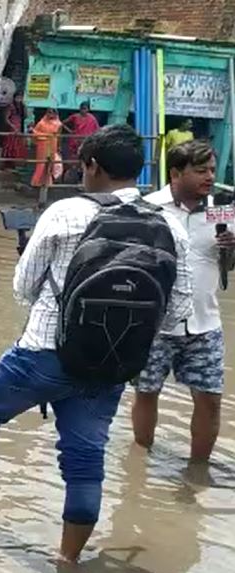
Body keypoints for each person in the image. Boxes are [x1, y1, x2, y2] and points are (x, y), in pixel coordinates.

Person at [0, 124, 192, 563]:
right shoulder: (169, 225)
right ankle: (68, 560)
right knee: (84, 458)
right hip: (112, 365)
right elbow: (175, 312)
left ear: (92, 166)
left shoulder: (64, 213)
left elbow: (22, 287)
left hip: (43, 354)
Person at [135, 140, 233, 465]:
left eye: (211, 170)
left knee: (210, 400)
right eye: (200, 170)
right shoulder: (147, 208)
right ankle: (140, 464)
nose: (209, 177)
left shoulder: (224, 209)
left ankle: (198, 472)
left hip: (205, 325)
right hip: (154, 325)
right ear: (176, 173)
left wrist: (233, 248)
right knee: (146, 393)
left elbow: (228, 266)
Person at [31, 109, 63, 188]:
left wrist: (59, 146)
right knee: (41, 163)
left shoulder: (58, 124)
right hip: (43, 144)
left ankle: (47, 182)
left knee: (50, 163)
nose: (51, 114)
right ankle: (36, 182)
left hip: (53, 145)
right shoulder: (41, 123)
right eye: (49, 112)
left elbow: (59, 136)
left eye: (53, 113)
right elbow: (35, 133)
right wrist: (45, 136)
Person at [1, 91, 28, 169]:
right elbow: (6, 119)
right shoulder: (11, 106)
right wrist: (12, 126)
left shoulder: (22, 106)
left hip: (19, 127)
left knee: (17, 146)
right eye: (17, 97)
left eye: (20, 98)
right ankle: (6, 164)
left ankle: (14, 163)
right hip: (11, 128)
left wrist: (24, 106)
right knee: (9, 145)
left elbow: (25, 116)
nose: (19, 99)